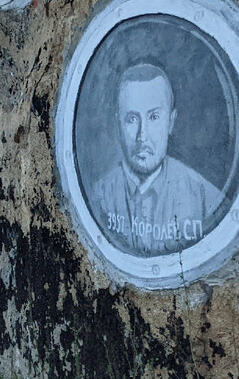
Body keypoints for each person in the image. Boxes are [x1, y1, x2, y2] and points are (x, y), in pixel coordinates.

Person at [91, 63, 224, 256]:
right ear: (118, 125)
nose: (142, 136)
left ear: (170, 122)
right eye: (132, 119)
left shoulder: (206, 198)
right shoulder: (98, 197)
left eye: (153, 117)